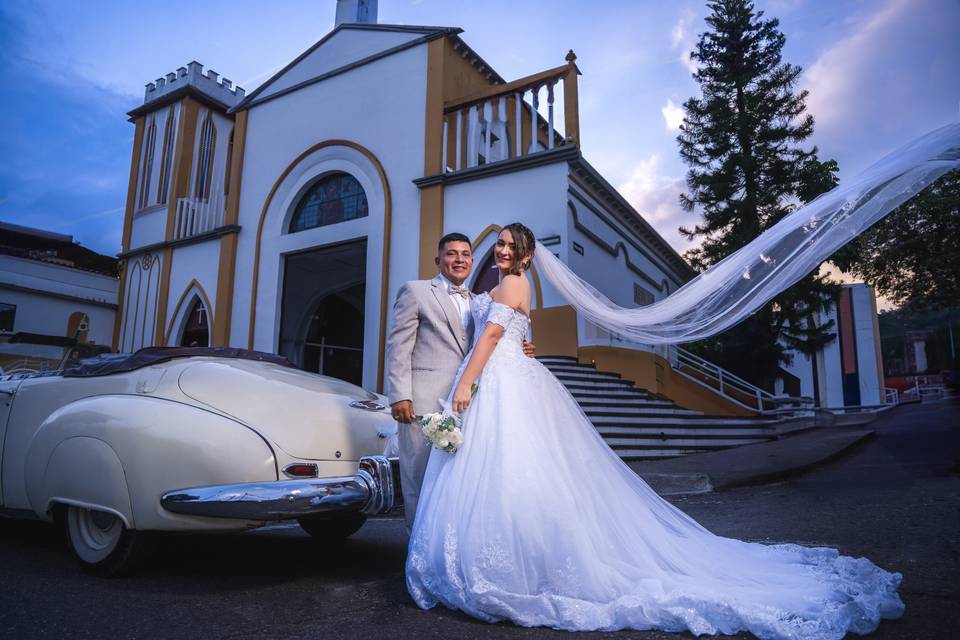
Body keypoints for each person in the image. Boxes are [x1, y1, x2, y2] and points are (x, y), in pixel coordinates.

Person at [405, 222, 904, 639]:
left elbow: (493, 334)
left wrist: (467, 384)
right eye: (501, 243)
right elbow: (518, 331)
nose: (503, 249)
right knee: (501, 473)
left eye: (511, 245)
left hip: (497, 381)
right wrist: (522, 347)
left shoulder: (513, 283)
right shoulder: (498, 287)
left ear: (527, 255)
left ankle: (522, 565)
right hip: (503, 375)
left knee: (513, 469)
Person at [385, 232, 534, 533]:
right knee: (419, 478)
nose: (460, 259)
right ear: (438, 260)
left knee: (454, 483)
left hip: (469, 400)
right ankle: (417, 546)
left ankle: (442, 548)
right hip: (423, 399)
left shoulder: (481, 299)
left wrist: (521, 346)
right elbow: (397, 345)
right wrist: (400, 394)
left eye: (466, 254)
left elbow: (493, 336)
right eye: (452, 254)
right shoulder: (415, 291)